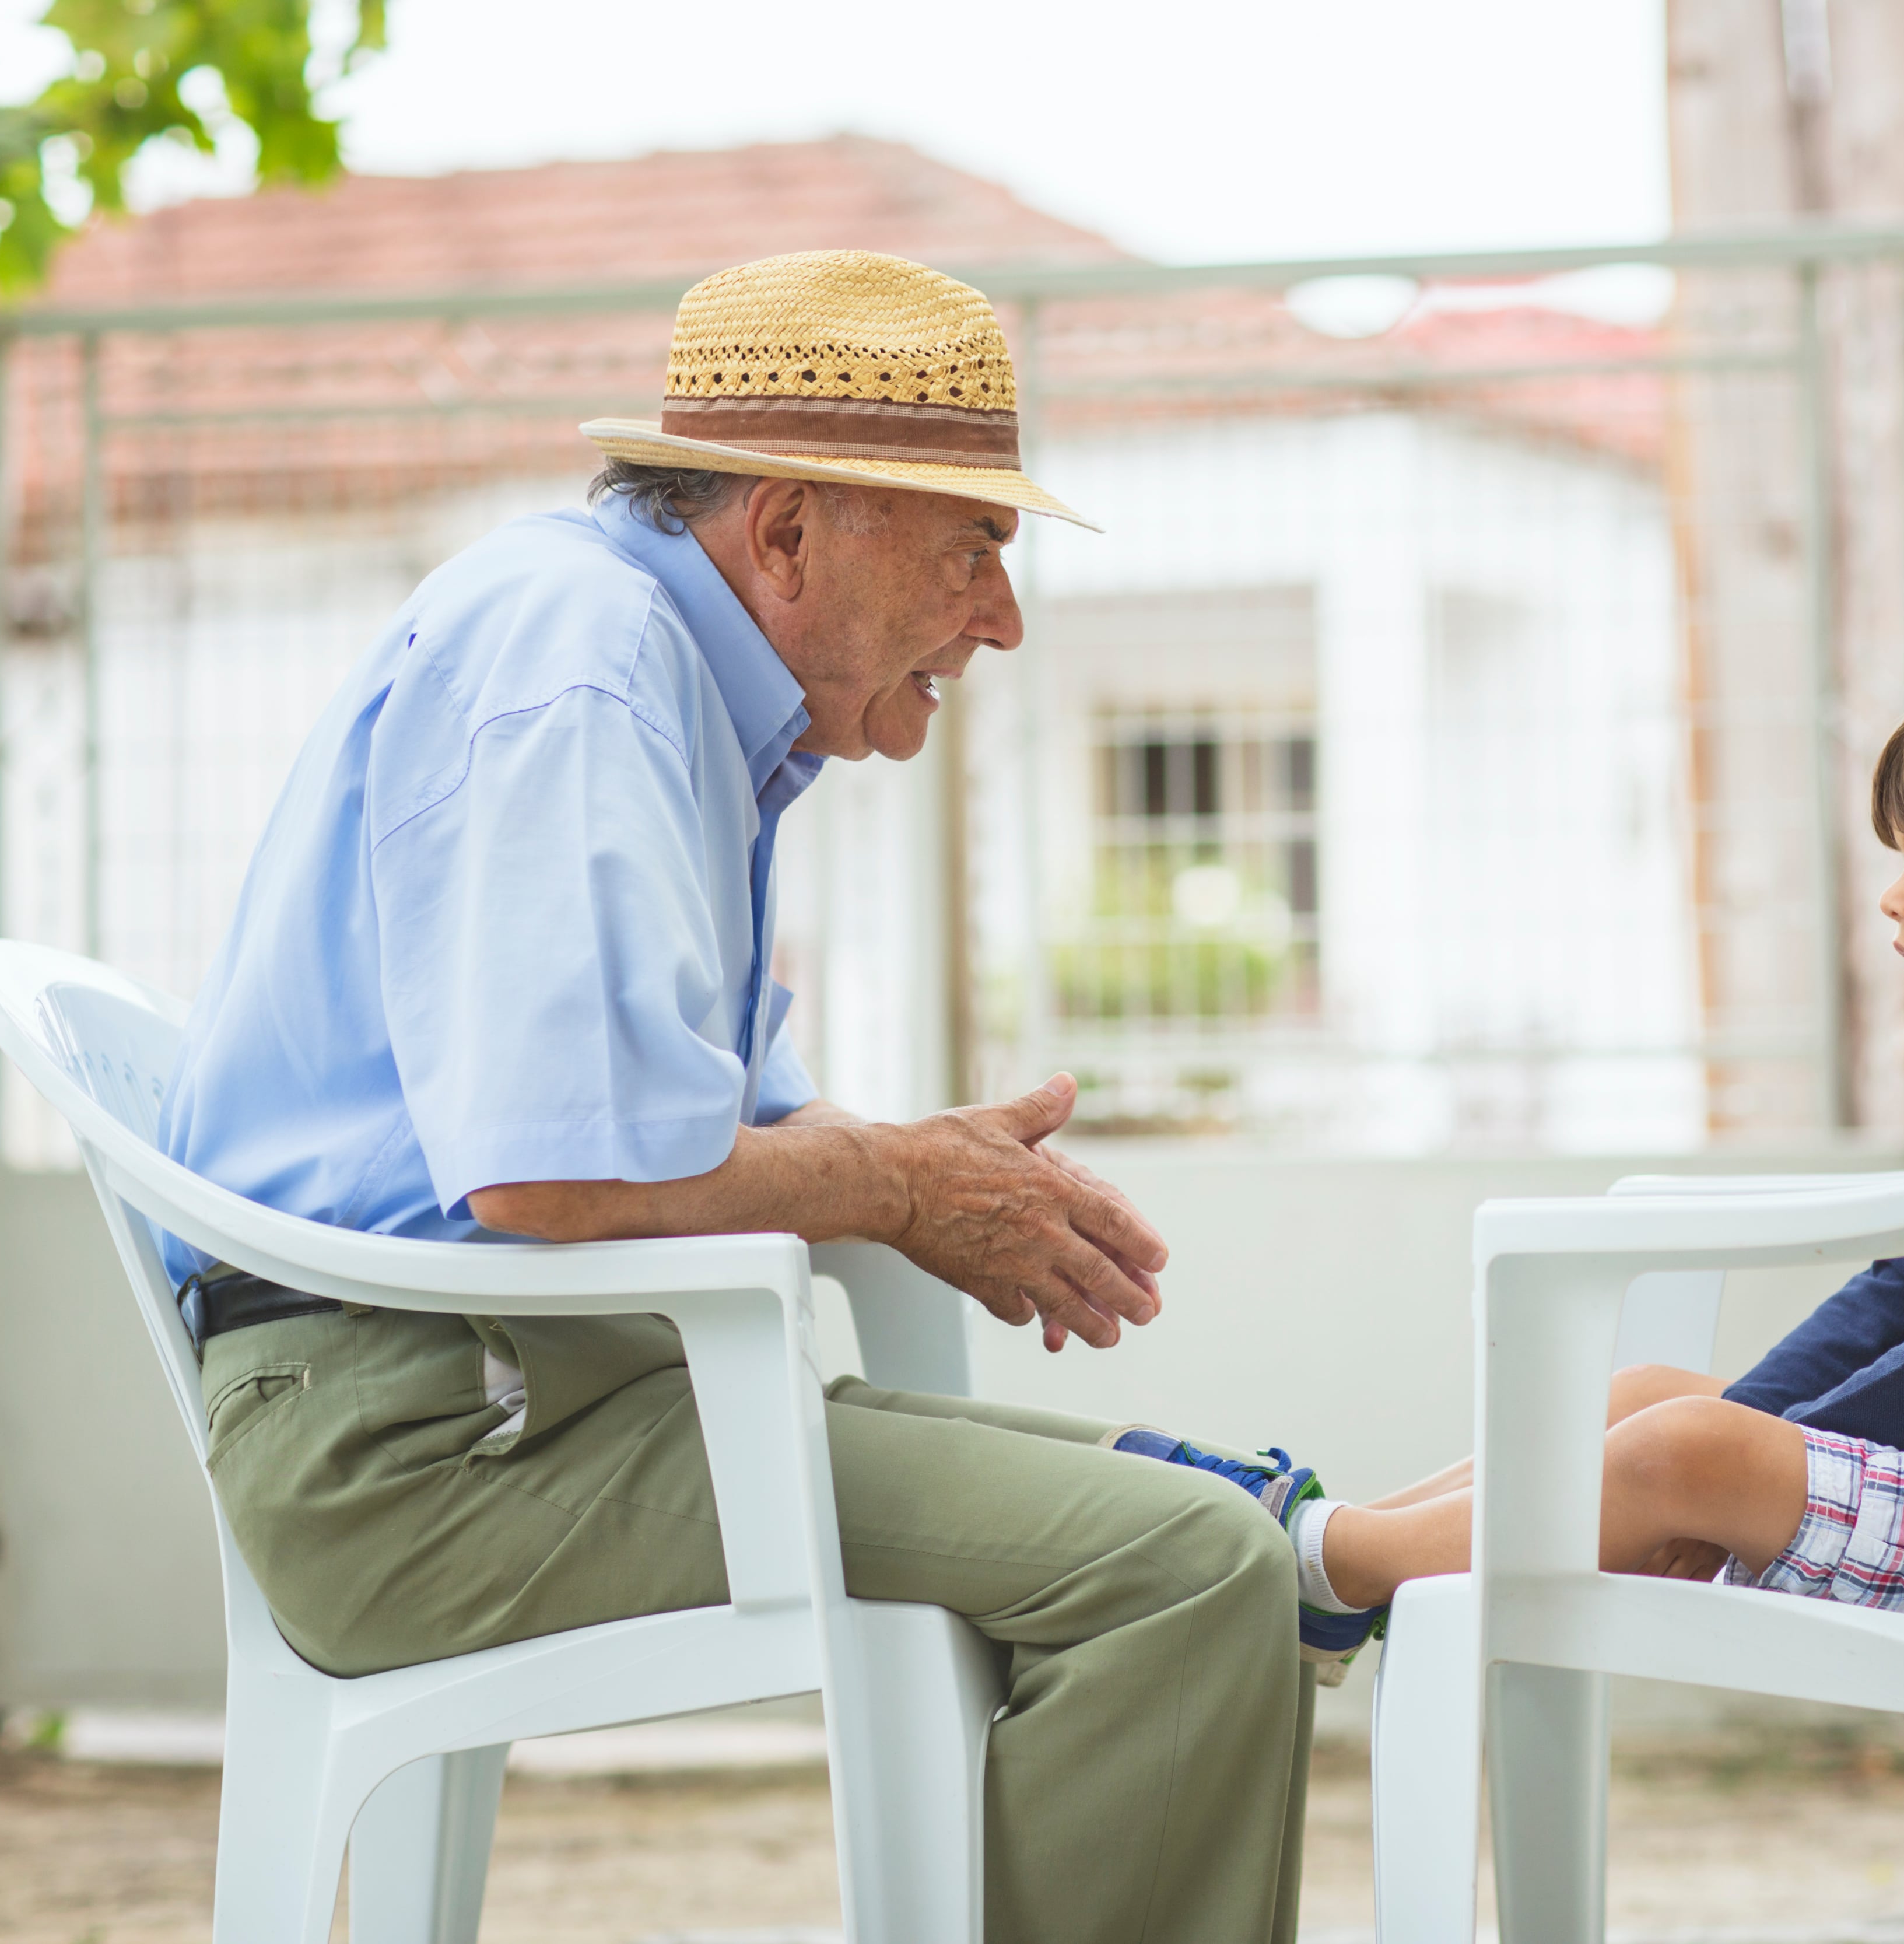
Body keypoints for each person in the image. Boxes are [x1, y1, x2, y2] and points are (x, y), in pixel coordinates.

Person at [157, 251, 1326, 1944]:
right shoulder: (585, 658)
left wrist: (910, 1173)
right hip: (430, 1445)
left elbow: (722, 1137)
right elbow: (557, 1179)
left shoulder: (658, 670)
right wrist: (899, 1184)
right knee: (1188, 1570)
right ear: (787, 533)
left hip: (543, 1396)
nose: (1001, 613)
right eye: (974, 543)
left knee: (1226, 1526)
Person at [1117, 650, 1904, 1649]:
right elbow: (1894, 1300)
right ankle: (1355, 1537)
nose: (1894, 897)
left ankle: (1340, 1561)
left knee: (1685, 1445)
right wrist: (1751, 1439)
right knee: (1646, 1394)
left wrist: (1732, 1471)